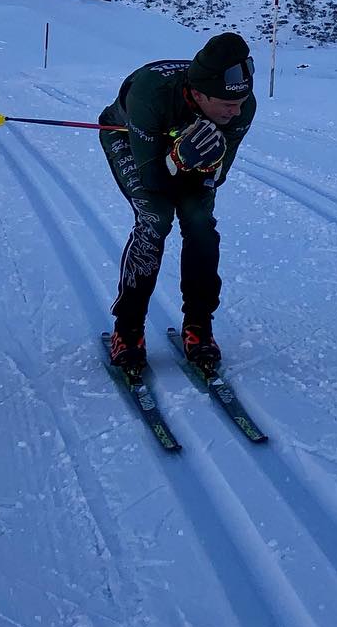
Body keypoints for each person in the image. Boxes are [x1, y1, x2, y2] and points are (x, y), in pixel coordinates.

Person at [99, 32, 257, 376]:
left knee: (199, 222)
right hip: (129, 138)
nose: (237, 111)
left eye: (242, 101)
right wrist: (175, 161)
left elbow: (214, 177)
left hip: (182, 156)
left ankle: (199, 326)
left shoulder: (240, 105)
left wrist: (193, 164)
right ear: (199, 94)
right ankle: (127, 331)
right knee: (155, 218)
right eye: (228, 105)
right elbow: (153, 179)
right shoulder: (150, 94)